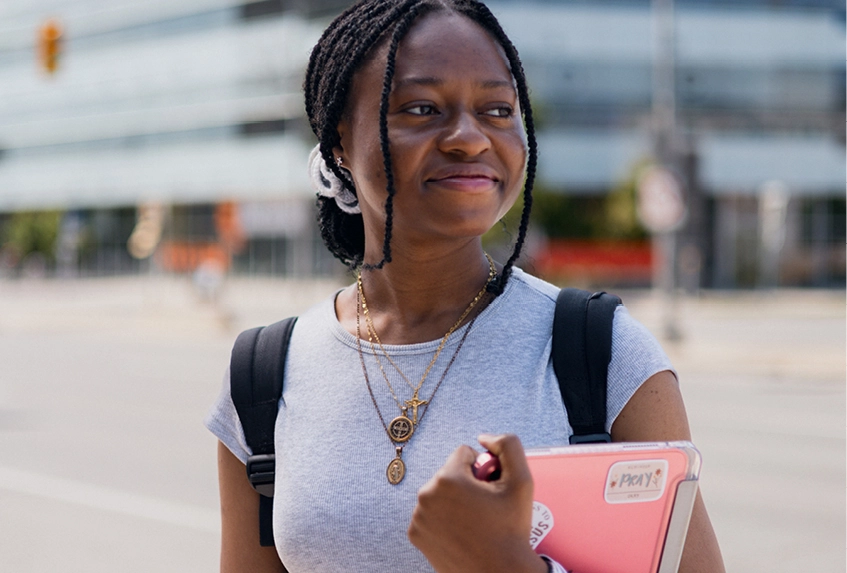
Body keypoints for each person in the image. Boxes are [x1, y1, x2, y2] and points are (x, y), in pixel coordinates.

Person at [205, 1, 725, 572]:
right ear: (337, 145)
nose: (469, 138)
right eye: (422, 108)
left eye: (498, 109)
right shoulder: (263, 374)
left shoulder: (603, 356)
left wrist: (504, 563)